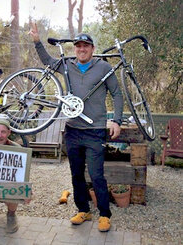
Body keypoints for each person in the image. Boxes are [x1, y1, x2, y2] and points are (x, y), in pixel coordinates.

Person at [29, 23, 123, 232]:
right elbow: (47, 61)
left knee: (97, 174)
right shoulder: (66, 65)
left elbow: (116, 94)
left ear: (92, 49)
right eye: (78, 46)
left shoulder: (104, 68)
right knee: (76, 174)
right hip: (72, 129)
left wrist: (116, 120)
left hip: (95, 130)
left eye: (86, 46)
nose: (82, 49)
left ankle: (105, 214)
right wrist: (37, 41)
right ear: (75, 49)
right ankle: (83, 210)